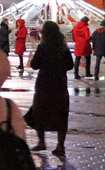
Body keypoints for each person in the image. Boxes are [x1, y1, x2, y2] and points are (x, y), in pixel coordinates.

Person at [25, 21, 72, 157]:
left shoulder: (43, 47)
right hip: (59, 85)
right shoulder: (63, 48)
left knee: (39, 112)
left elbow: (34, 65)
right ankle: (60, 145)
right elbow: (69, 65)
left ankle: (41, 142)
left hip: (44, 85)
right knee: (61, 115)